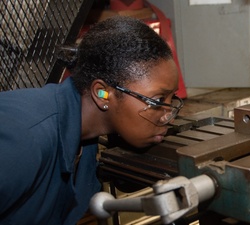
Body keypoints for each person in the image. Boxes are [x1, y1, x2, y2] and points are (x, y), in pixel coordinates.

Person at [0, 16, 183, 225]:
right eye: (158, 100)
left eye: (172, 99)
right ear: (103, 93)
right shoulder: (23, 139)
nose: (168, 115)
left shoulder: (85, 140)